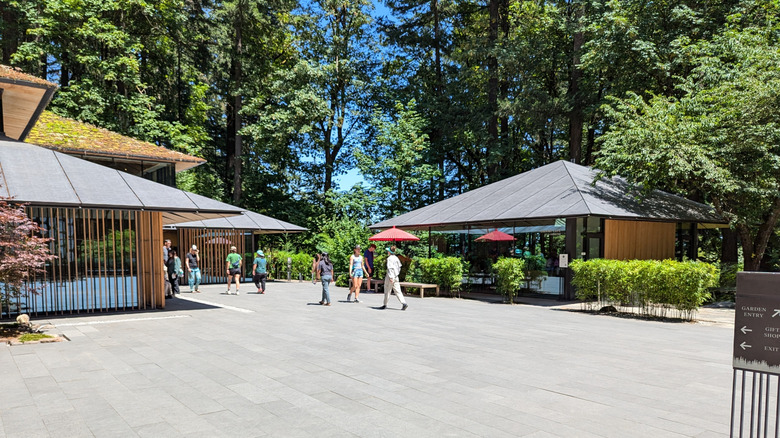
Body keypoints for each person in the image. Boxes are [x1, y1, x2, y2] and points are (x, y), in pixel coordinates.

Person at [380, 246, 408, 311]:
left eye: (388, 251)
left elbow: (390, 268)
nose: (387, 252)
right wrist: (396, 274)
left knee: (387, 290)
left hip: (390, 276)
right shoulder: (396, 258)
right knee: (398, 291)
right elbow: (399, 266)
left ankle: (385, 304)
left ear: (389, 252)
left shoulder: (389, 258)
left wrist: (391, 277)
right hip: (396, 276)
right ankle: (404, 303)